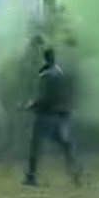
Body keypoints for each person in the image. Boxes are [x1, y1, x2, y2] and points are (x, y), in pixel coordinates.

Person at [23, 47, 82, 187]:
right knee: (66, 146)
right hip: (61, 115)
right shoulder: (61, 73)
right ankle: (75, 172)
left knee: (36, 147)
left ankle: (31, 175)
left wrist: (31, 106)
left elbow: (42, 97)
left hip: (46, 115)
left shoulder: (45, 75)